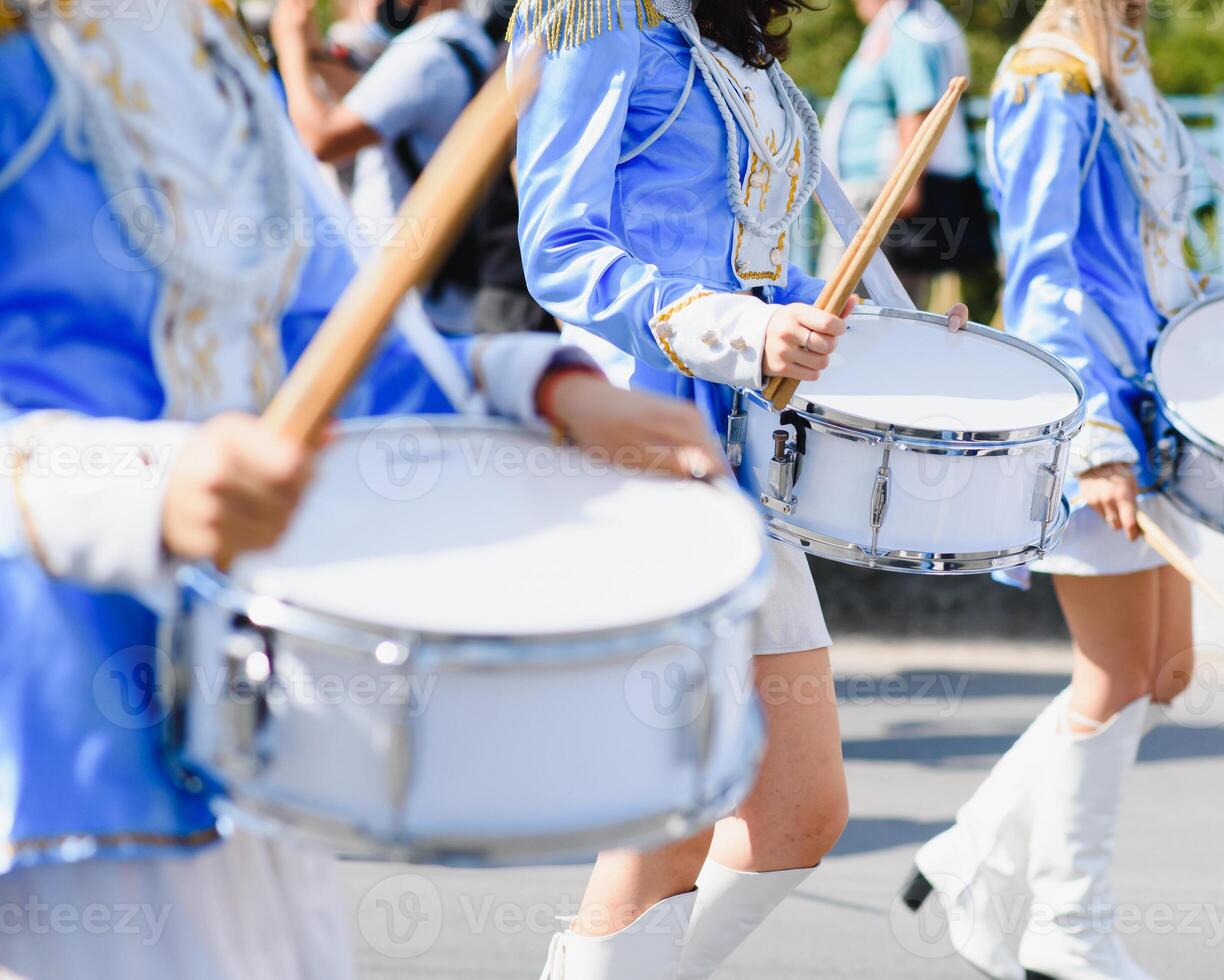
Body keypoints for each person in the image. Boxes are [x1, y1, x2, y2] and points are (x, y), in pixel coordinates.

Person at [0, 0, 718, 975]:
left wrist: (534, 388)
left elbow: (348, 342)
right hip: (43, 724)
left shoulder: (198, 39)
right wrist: (143, 488)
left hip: (248, 709)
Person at [897, 3, 1224, 979]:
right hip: (1090, 410)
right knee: (1116, 672)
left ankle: (969, 848)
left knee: (1163, 672)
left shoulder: (1118, 66)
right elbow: (1040, 274)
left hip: (1145, 402)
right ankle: (1066, 927)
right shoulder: (1048, 78)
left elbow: (1140, 259)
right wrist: (1094, 441)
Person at [509, 0, 872, 974]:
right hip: (646, 441)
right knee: (672, 814)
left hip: (742, 443)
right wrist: (733, 330)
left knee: (799, 812)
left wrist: (850, 326)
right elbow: (559, 247)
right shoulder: (584, 13)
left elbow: (747, 255)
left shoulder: (727, 20)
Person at [272, 0, 552, 335]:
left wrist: (288, 45)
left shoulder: (424, 57)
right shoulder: (462, 41)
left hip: (416, 304)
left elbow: (322, 139)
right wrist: (314, 53)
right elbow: (369, 107)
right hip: (443, 288)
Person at [819, 0, 983, 309]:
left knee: (853, 316)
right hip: (869, 195)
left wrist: (903, 190)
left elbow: (917, 109)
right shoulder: (899, 26)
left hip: (878, 198)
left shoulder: (909, 31)